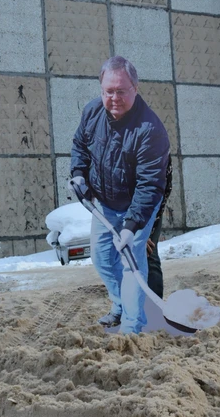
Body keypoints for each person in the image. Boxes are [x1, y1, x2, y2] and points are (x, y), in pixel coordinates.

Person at [70, 57, 170, 334]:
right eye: (108, 91)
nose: (114, 98)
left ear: (135, 88)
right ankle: (120, 306)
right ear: (101, 89)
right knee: (102, 258)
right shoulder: (92, 112)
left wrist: (132, 226)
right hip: (104, 202)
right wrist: (78, 173)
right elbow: (80, 144)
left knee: (132, 261)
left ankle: (132, 326)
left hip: (139, 203)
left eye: (121, 91)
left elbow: (150, 185)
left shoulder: (150, 130)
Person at [146, 158, 172, 299]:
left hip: (147, 205)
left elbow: (164, 187)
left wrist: (143, 233)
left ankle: (154, 312)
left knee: (148, 254)